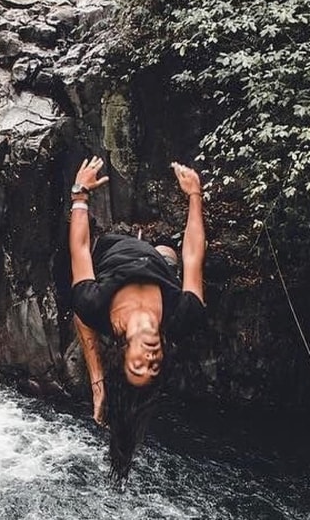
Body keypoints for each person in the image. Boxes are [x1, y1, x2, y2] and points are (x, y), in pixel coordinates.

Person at [67, 156, 207, 481]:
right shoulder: (183, 317)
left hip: (110, 248)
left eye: (139, 365)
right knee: (170, 256)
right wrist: (195, 196)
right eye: (155, 366)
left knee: (78, 302)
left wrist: (79, 195)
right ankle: (160, 251)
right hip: (162, 266)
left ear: (123, 355)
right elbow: (195, 255)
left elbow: (80, 248)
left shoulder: (95, 304)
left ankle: (154, 249)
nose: (150, 358)